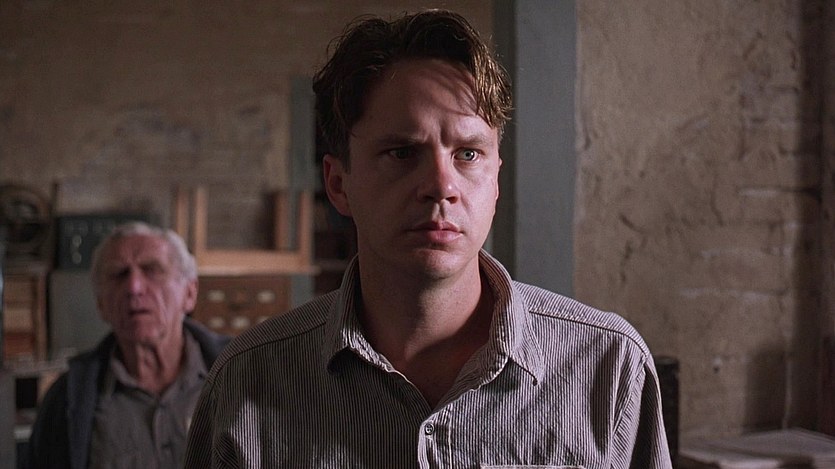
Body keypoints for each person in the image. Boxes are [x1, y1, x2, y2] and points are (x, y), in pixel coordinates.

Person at [184, 9, 672, 468]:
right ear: (338, 184)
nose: (441, 185)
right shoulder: (249, 382)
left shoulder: (606, 368)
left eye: (468, 154)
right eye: (402, 153)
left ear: (496, 180)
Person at [26, 222, 230, 469]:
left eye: (152, 270)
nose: (134, 288)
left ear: (189, 293)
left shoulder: (242, 375)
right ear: (101, 304)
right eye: (119, 274)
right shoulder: (66, 400)